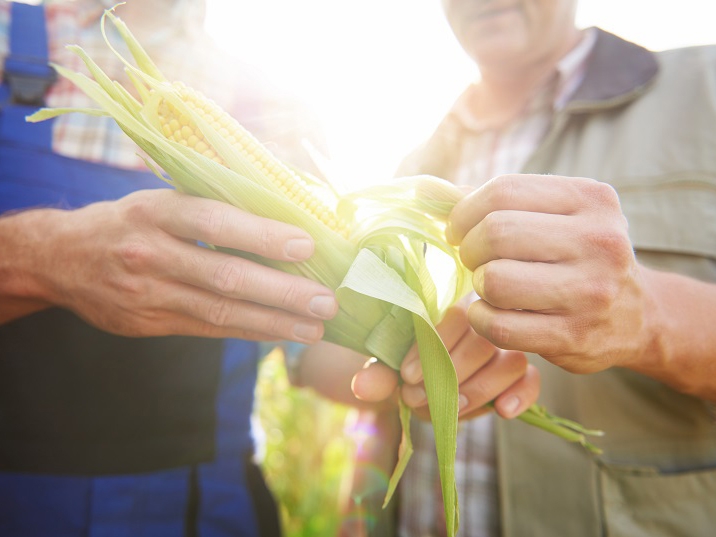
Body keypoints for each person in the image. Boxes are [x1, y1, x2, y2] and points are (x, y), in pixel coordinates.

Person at [301, 0, 716, 535]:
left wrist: (648, 317)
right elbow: (340, 375)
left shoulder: (703, 93)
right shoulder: (411, 169)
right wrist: (414, 366)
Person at [0, 1, 339, 536]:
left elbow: (316, 340)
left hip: (202, 509)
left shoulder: (271, 102)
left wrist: (420, 353)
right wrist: (43, 256)